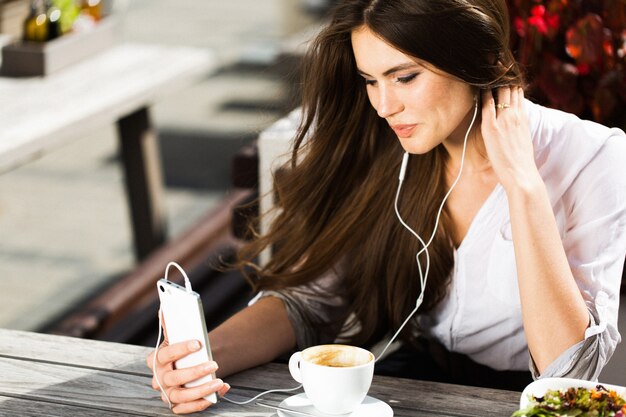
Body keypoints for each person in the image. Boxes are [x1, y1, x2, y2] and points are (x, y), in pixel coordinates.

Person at [147, 0, 626, 413]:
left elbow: (568, 376)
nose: (383, 105)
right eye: (370, 81)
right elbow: (309, 300)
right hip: (407, 387)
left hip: (517, 403)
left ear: (473, 60)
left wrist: (523, 185)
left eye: (404, 77)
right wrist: (204, 357)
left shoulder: (593, 156)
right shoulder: (389, 147)